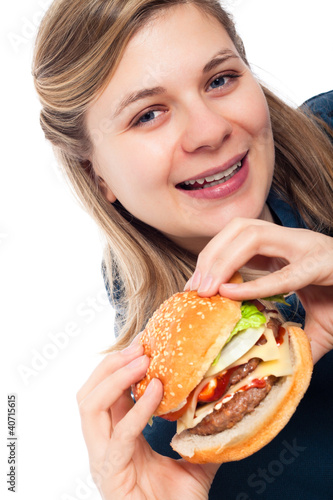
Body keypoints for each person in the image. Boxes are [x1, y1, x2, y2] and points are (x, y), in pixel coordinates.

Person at [32, 0, 333, 498]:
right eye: (149, 114)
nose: (210, 131)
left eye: (220, 80)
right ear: (97, 174)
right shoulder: (173, 434)